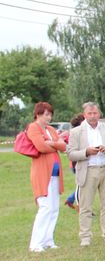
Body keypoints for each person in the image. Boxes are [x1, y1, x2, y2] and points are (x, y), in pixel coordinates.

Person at [67, 102, 105, 247]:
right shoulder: (76, 132)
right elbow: (71, 154)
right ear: (84, 115)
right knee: (85, 206)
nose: (92, 116)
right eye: (89, 114)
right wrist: (86, 152)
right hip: (88, 171)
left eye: (95, 113)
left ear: (99, 114)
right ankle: (85, 236)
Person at [26, 102, 67, 252]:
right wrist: (55, 144)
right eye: (46, 114)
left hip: (55, 174)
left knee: (54, 208)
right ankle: (36, 243)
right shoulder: (33, 127)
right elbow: (40, 147)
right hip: (42, 173)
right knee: (45, 207)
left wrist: (52, 143)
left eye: (50, 114)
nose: (49, 117)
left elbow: (63, 146)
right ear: (38, 114)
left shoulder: (50, 129)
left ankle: (48, 240)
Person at [64, 113, 85, 211]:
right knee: (81, 185)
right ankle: (79, 205)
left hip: (78, 162)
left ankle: (70, 200)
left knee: (83, 184)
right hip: (76, 163)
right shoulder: (74, 134)